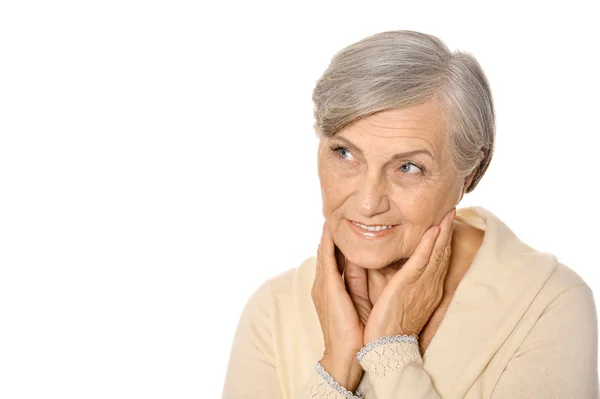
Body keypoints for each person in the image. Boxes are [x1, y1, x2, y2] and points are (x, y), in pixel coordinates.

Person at [222, 30, 599, 398]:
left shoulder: (547, 304)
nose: (368, 203)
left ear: (469, 173)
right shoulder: (273, 310)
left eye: (408, 168)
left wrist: (389, 353)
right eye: (345, 153)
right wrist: (337, 367)